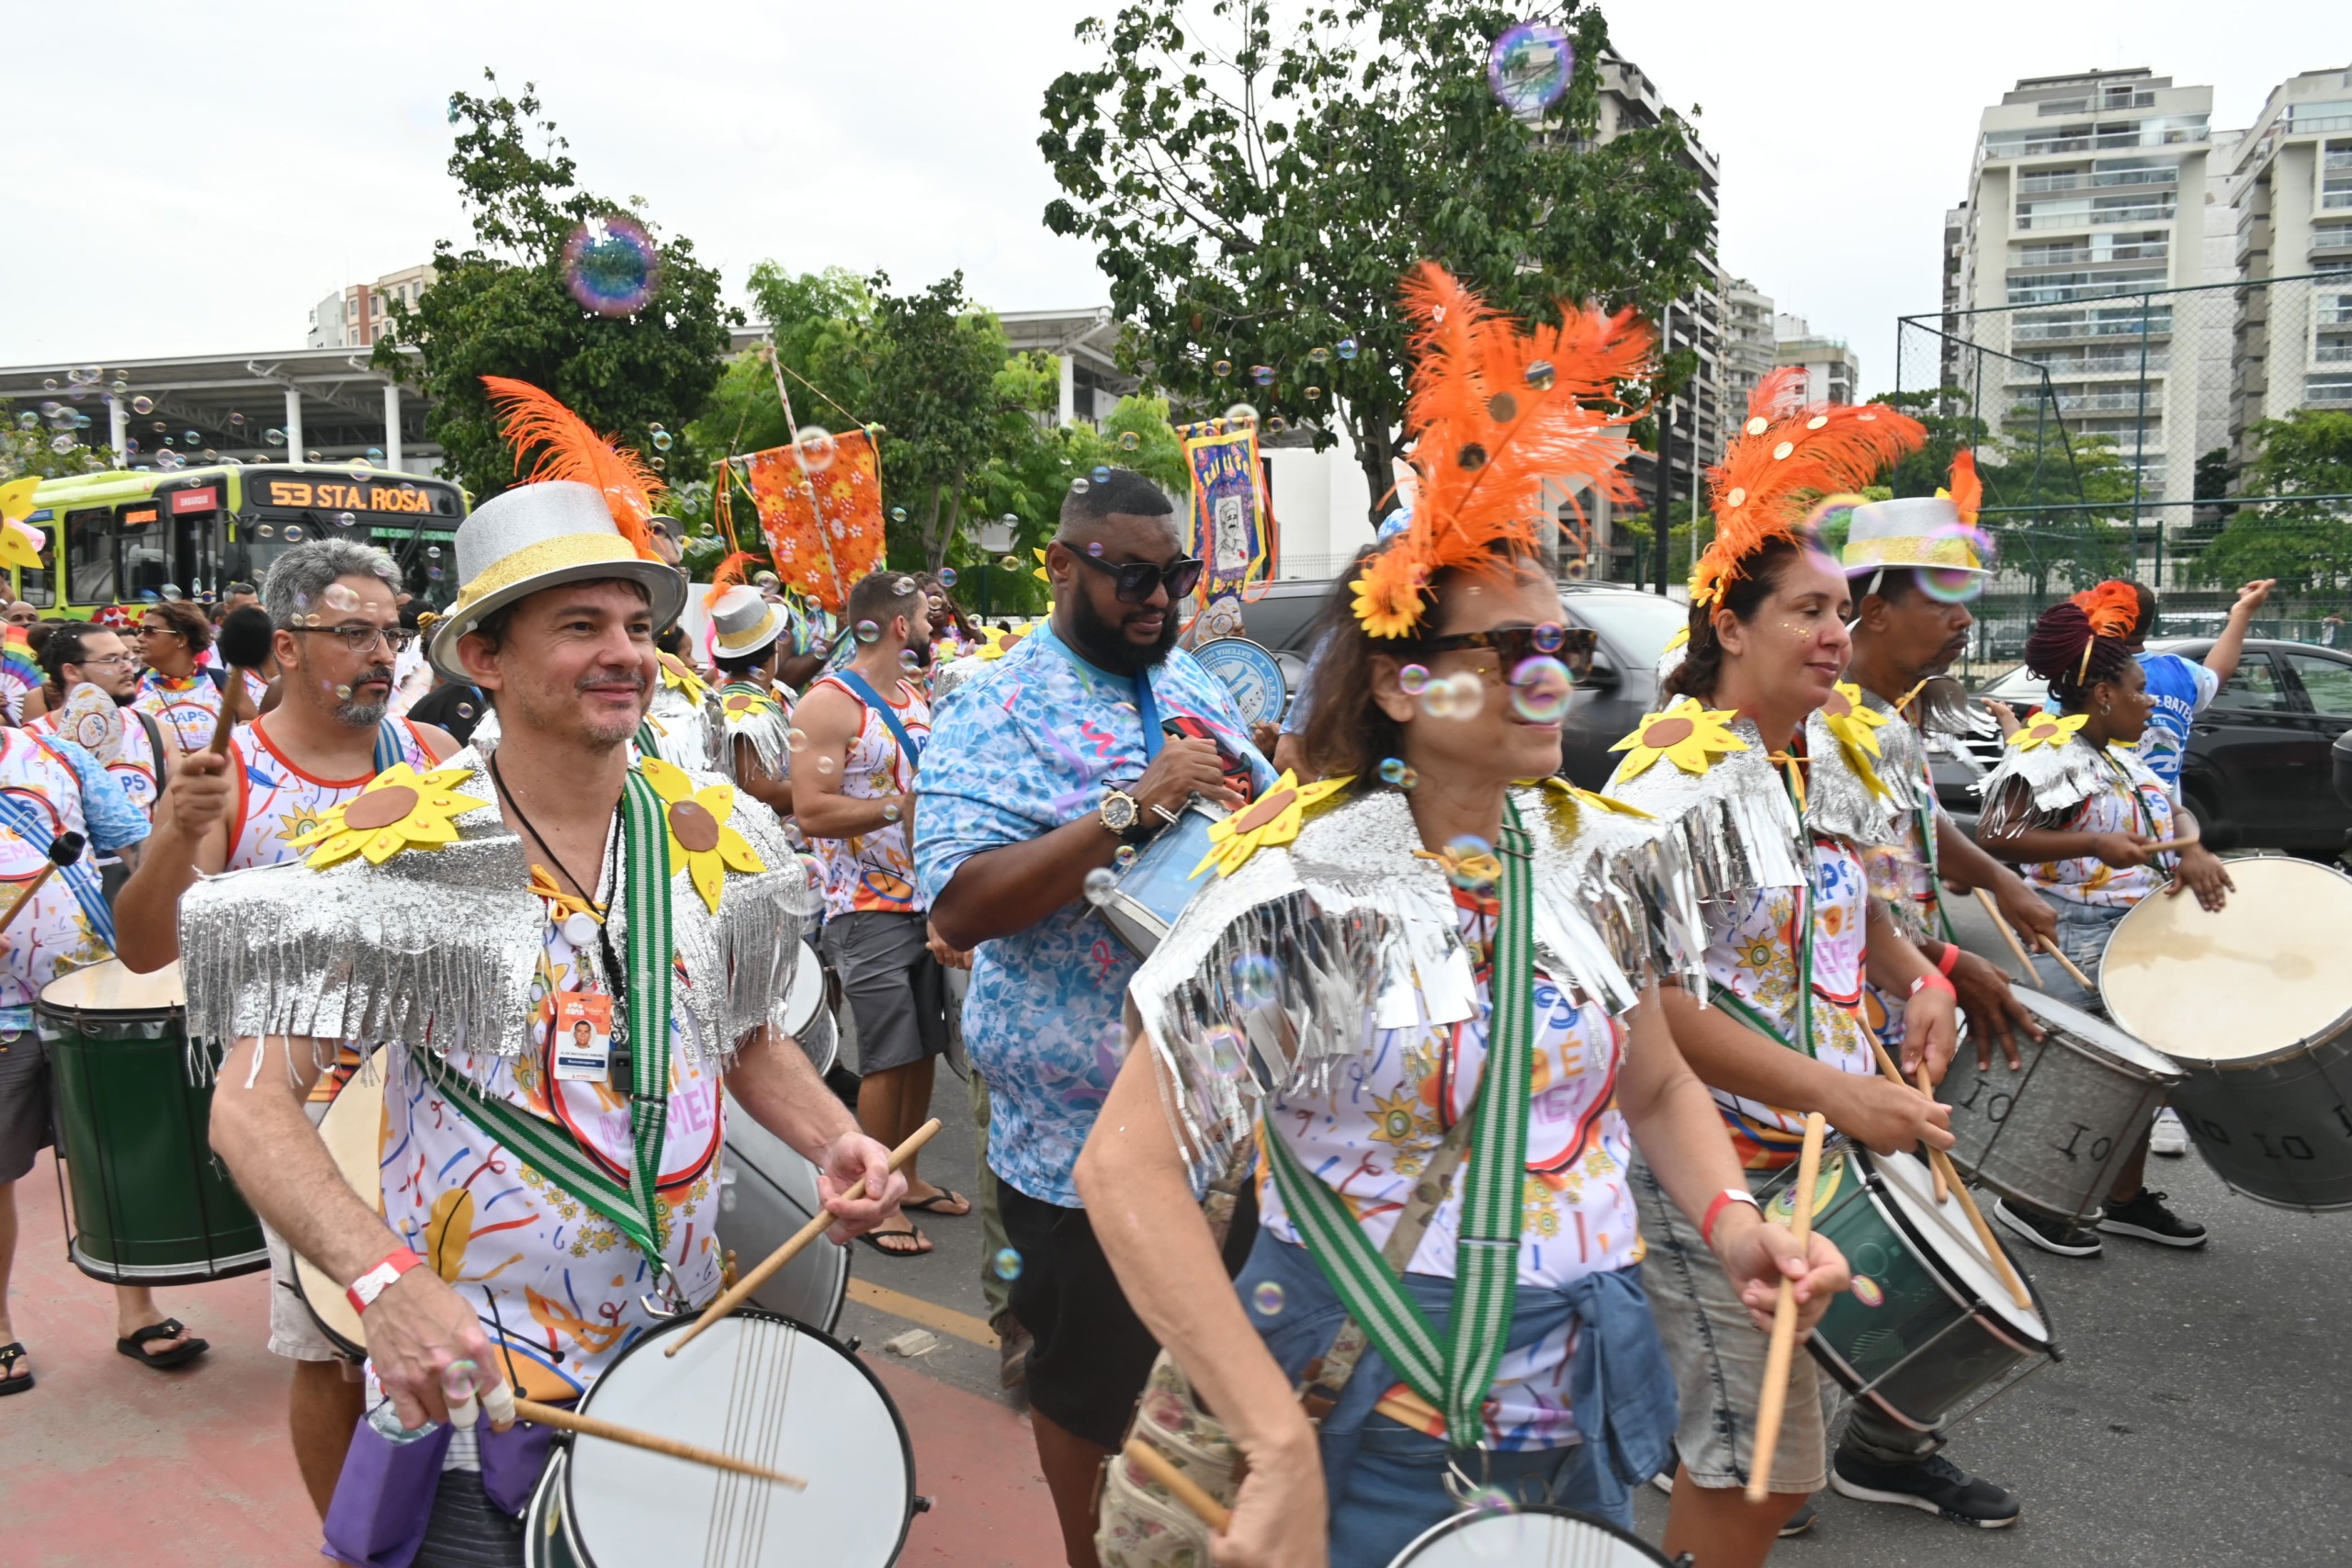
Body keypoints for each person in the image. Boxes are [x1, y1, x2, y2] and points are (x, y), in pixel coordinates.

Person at [1078, 273, 1845, 1568]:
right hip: (1365, 1403)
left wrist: (1734, 1224)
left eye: (1564, 647)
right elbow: (1126, 1167)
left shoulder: (1598, 860)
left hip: (1574, 1398)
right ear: (1400, 682)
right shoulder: (1313, 897)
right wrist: (1270, 1442)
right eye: (1509, 652)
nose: (1553, 678)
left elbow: (1656, 1083)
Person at [194, 388, 905, 1564]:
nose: (624, 652)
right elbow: (250, 1104)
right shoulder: (403, 848)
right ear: (484, 655)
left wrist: (832, 1136)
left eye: (635, 623)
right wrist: (383, 1285)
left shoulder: (708, 831)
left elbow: (743, 1037)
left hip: (678, 1368)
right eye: (579, 626)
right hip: (484, 1400)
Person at [1607, 372, 2018, 1557]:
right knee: (1756, 1463)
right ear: (1729, 627)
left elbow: (1856, 912)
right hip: (1710, 1170)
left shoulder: (1821, 759)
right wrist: (1837, 1090)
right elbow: (1654, 1014)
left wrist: (1918, 979)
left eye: (1842, 609)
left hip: (1817, 1162)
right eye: (1805, 610)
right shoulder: (1666, 784)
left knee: (1769, 1465)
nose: (1836, 633)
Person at [917, 466, 1271, 1564]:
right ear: (1063, 566)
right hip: (1083, 1141)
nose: (1159, 598)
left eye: (1176, 573)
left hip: (1223, 1122)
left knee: (1214, 1400)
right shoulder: (995, 706)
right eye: (1133, 577)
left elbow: (1259, 813)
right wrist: (1133, 808)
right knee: (1092, 1396)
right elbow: (961, 907)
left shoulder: (1188, 679)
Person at [113, 539, 460, 1519]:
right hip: (297, 1111)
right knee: (332, 1346)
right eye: (353, 633)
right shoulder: (229, 775)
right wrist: (180, 833)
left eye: (391, 632)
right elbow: (143, 948)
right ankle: (350, 1537)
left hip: (443, 1091)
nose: (382, 654)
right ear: (288, 647)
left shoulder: (433, 756)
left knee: (459, 1313)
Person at [1974, 588, 2231, 1258]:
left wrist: (2191, 846)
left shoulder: (2119, 753)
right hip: (2071, 936)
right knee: (2071, 1079)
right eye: (2139, 690)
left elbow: (2171, 808)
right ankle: (2028, 1199)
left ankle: (2123, 1198)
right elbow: (1995, 836)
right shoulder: (2046, 751)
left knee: (2140, 1073)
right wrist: (2091, 843)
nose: (2149, 702)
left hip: (2134, 936)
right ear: (2103, 695)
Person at [1838, 469, 2060, 1063]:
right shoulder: (1826, 718)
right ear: (1876, 612)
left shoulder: (1901, 705)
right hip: (1849, 1010)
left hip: (1909, 990)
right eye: (1942, 602)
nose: (1965, 621)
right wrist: (1945, 962)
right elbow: (1829, 885)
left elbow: (1920, 821)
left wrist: (2001, 879)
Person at [0, 715, 191, 1394]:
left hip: (90, 997)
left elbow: (136, 848)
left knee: (111, 1156)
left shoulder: (56, 753)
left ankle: (137, 1310)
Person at [795, 570, 961, 1258]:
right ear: (898, 625)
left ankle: (908, 1177)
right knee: (888, 1054)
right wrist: (898, 807)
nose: (932, 623)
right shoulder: (829, 704)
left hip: (923, 899)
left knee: (921, 1048)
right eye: (923, 614)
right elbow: (810, 810)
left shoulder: (913, 695)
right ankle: (873, 1197)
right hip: (864, 905)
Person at [2119, 576, 2274, 792]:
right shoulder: (2180, 672)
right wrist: (2242, 612)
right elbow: (2217, 672)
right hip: (2163, 812)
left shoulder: (2086, 679)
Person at [707, 585, 797, 818]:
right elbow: (766, 795)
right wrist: (828, 786)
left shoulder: (778, 691)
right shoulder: (746, 715)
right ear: (774, 645)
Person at [130, 599, 224, 753]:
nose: (139, 638)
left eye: (150, 631)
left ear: (181, 639)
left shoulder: (220, 682)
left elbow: (251, 735)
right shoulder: (133, 683)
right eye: (140, 630)